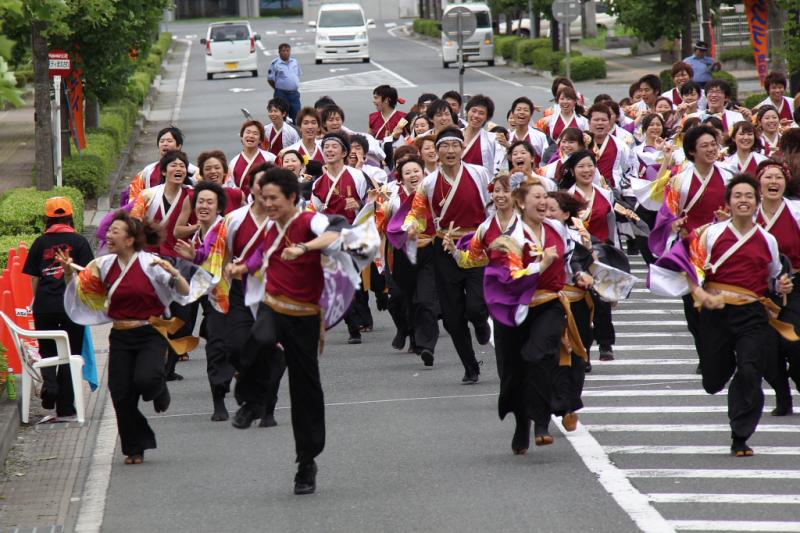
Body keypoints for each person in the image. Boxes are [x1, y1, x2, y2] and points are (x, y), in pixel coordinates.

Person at [653, 174, 793, 456]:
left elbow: (774, 276)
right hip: (716, 312)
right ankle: (722, 370)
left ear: (757, 202)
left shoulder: (767, 240)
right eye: (738, 196)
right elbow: (688, 265)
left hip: (752, 314)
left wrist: (783, 284)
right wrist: (700, 294)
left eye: (749, 196)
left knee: (750, 370)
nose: (744, 200)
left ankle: (740, 435)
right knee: (713, 379)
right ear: (728, 202)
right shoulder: (711, 233)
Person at [227, 167, 344, 495]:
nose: (267, 204)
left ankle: (306, 463)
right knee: (256, 341)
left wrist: (305, 248)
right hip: (273, 305)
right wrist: (242, 267)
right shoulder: (270, 226)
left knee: (305, 388)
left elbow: (336, 233)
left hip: (305, 316)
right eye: (263, 198)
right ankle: (252, 402)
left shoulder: (309, 221)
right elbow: (263, 257)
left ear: (292, 196)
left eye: (273, 198)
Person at [60, 210, 209, 464]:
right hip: (120, 336)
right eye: (109, 231)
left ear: (130, 240)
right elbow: (81, 292)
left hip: (150, 332)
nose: (109, 235)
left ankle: (159, 387)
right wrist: (67, 273)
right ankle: (134, 447)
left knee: (146, 378)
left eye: (115, 231)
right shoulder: (102, 265)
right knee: (120, 393)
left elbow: (184, 291)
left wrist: (174, 273)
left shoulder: (151, 263)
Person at [404, 127, 492, 383]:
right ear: (436, 151)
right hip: (444, 248)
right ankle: (470, 366)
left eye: (455, 145)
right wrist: (411, 227)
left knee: (476, 305)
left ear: (462, 148)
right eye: (445, 146)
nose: (450, 151)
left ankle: (480, 321)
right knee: (453, 319)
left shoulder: (479, 173)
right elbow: (417, 214)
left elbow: (493, 206)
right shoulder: (428, 183)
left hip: (476, 245)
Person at [23, 197, 94, 420]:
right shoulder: (80, 242)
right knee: (70, 352)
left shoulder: (39, 243)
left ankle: (50, 387)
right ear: (71, 217)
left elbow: (34, 278)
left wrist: (40, 301)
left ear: (47, 219)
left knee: (47, 350)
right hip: (73, 307)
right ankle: (65, 406)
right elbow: (87, 275)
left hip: (45, 305)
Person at [174, 181, 234, 421]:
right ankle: (218, 400)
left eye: (210, 202)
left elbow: (216, 261)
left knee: (238, 347)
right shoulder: (198, 234)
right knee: (216, 348)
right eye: (200, 201)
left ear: (219, 207)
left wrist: (196, 256)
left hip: (236, 297)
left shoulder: (227, 228)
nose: (204, 206)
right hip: (214, 301)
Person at [382, 156, 440, 364]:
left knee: (425, 300)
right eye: (407, 173)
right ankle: (408, 332)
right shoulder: (393, 199)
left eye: (416, 171)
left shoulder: (433, 194)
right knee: (400, 299)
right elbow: (382, 226)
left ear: (424, 173)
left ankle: (427, 346)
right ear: (401, 178)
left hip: (428, 251)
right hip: (401, 253)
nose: (413, 175)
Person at [123, 126, 198, 206]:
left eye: (169, 141)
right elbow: (134, 196)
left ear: (179, 146)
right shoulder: (148, 171)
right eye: (162, 141)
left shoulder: (194, 172)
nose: (165, 144)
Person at [228, 120, 277, 199]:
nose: (251, 136)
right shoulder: (233, 163)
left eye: (255, 133)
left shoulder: (270, 158)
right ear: (241, 136)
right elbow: (231, 189)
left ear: (260, 140)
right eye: (248, 132)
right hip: (242, 207)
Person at [461, 94, 498, 176]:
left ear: (487, 117)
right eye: (473, 111)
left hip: (481, 185)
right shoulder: (455, 135)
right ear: (467, 112)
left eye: (481, 113)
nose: (476, 116)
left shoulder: (492, 140)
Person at [268, 43, 302, 122]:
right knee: (281, 115)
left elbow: (297, 75)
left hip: (294, 93)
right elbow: (270, 79)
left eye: (287, 50)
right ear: (279, 52)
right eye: (283, 51)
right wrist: (278, 88)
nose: (286, 52)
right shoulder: (275, 63)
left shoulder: (294, 62)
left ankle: (295, 132)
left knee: (297, 115)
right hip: (281, 93)